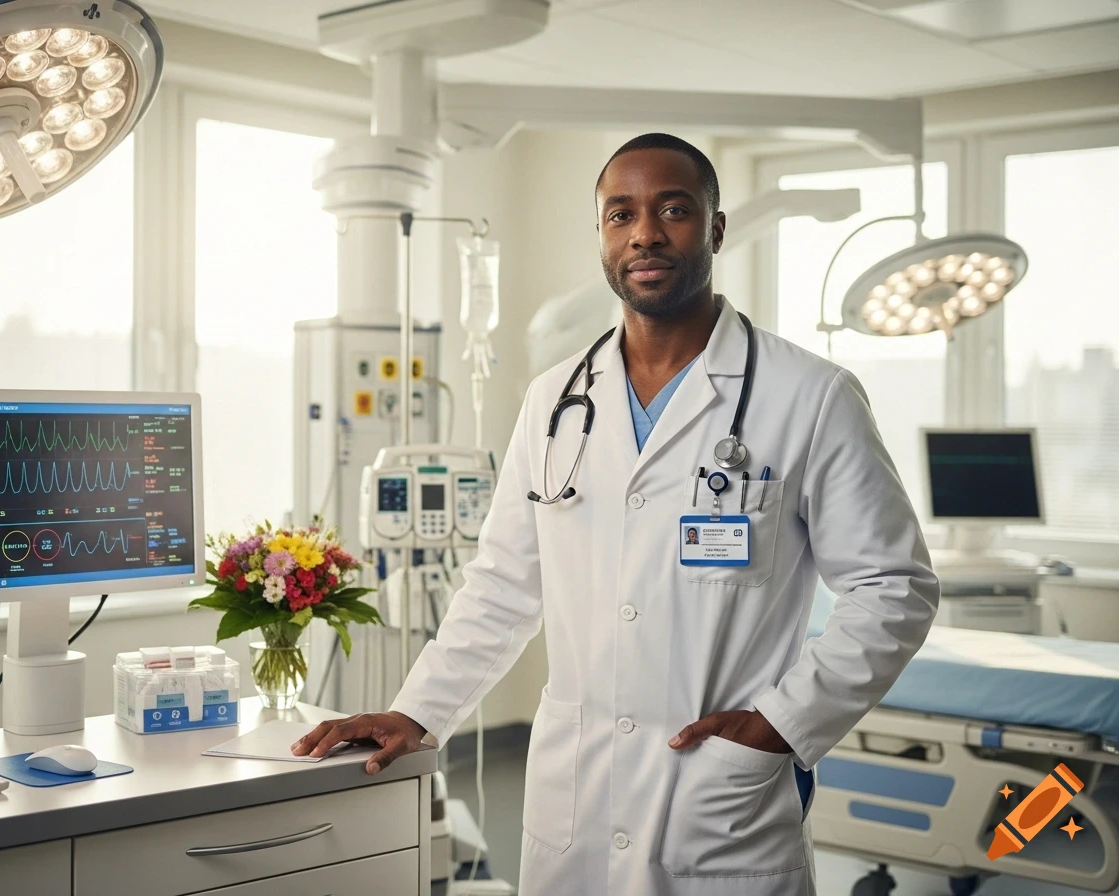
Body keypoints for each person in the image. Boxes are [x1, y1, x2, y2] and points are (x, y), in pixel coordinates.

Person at [294, 133, 939, 895]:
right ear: (601, 235)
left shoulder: (809, 397)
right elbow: (503, 586)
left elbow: (893, 588)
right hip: (580, 789)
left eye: (674, 209)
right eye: (620, 213)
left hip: (719, 793)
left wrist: (781, 723)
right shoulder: (554, 402)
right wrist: (417, 711)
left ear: (716, 229)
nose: (645, 233)